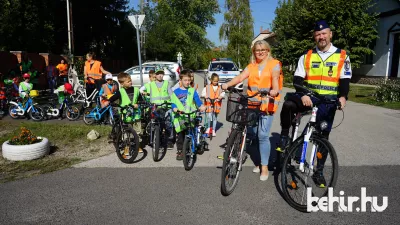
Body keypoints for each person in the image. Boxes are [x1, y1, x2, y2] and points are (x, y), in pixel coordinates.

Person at [276, 20, 350, 187]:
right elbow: (297, 79)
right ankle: (284, 138)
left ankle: (319, 172)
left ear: (330, 34)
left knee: (323, 137)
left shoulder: (342, 56)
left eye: (324, 34)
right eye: (318, 35)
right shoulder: (307, 56)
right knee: (288, 105)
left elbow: (345, 80)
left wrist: (343, 97)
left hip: (328, 101)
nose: (321, 37)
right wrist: (303, 94)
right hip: (309, 96)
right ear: (314, 37)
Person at [222, 40, 282, 181]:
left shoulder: (274, 64)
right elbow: (240, 77)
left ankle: (264, 166)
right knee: (253, 133)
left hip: (267, 104)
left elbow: (275, 79)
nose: (260, 52)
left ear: (268, 51)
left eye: (263, 49)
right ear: (254, 52)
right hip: (252, 103)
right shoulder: (251, 66)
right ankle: (259, 159)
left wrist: (274, 90)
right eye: (257, 50)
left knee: (262, 135)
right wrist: (227, 84)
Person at [171, 70, 206, 160]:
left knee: (191, 131)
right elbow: (173, 102)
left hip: (191, 116)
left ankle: (194, 144)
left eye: (189, 80)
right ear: (181, 80)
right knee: (180, 135)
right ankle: (180, 151)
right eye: (185, 80)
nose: (187, 82)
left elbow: (197, 100)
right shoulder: (176, 92)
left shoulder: (192, 91)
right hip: (181, 117)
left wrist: (201, 106)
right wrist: (174, 107)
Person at [108, 72, 143, 153]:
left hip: (136, 115)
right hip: (126, 115)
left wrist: (138, 104)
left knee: (137, 132)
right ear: (122, 84)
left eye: (130, 80)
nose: (130, 82)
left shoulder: (136, 90)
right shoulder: (121, 91)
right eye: (128, 81)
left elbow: (141, 100)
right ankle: (127, 146)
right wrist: (109, 102)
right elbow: (112, 99)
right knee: (126, 132)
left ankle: (138, 146)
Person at [201, 73, 224, 137]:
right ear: (211, 80)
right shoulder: (207, 87)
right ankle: (208, 128)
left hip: (216, 104)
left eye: (217, 81)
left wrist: (221, 96)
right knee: (208, 116)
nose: (215, 82)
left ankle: (213, 130)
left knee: (214, 117)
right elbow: (203, 93)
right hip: (209, 104)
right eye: (214, 81)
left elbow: (223, 93)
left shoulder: (220, 87)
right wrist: (204, 96)